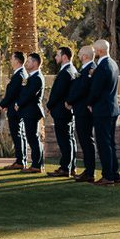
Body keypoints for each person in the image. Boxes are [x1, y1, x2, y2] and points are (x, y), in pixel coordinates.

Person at [83, 39, 120, 186]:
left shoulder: (103, 66)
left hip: (102, 110)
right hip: (112, 108)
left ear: (99, 51)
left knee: (104, 144)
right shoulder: (113, 64)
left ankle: (108, 176)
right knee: (110, 143)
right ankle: (115, 174)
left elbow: (96, 90)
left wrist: (89, 103)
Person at [46, 46, 78, 179]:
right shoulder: (72, 70)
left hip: (62, 111)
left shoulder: (66, 72)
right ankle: (72, 166)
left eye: (57, 55)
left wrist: (49, 105)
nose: (55, 57)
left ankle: (65, 168)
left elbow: (58, 92)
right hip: (67, 111)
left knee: (65, 140)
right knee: (70, 139)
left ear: (64, 57)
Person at [69, 51, 98, 183]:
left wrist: (69, 101)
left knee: (87, 141)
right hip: (80, 109)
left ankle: (90, 172)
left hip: (84, 110)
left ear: (85, 56)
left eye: (80, 53)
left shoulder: (90, 69)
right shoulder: (84, 69)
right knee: (84, 140)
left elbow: (83, 88)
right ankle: (88, 170)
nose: (79, 56)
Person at [15, 51, 46, 172]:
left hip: (32, 111)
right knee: (32, 137)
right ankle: (37, 163)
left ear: (35, 63)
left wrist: (19, 104)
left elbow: (29, 94)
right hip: (28, 111)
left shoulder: (37, 77)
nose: (26, 63)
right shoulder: (31, 77)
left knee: (33, 138)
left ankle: (36, 165)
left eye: (28, 61)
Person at [0, 53, 27, 168]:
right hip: (14, 108)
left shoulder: (19, 75)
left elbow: (12, 93)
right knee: (19, 134)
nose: (10, 61)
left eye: (11, 58)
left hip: (15, 110)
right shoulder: (20, 74)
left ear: (17, 60)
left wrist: (3, 104)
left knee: (17, 134)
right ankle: (21, 159)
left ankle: (20, 161)